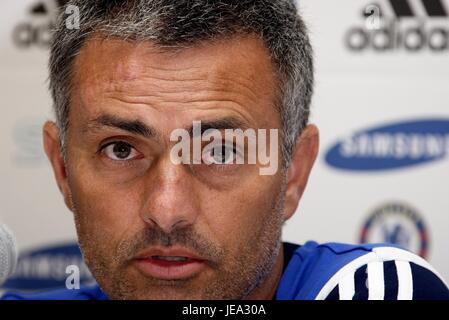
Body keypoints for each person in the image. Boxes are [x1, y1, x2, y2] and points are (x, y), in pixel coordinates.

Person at [3, 0, 448, 300]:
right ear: (62, 168)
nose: (166, 209)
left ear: (294, 172)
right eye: (121, 149)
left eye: (220, 152)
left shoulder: (374, 288)